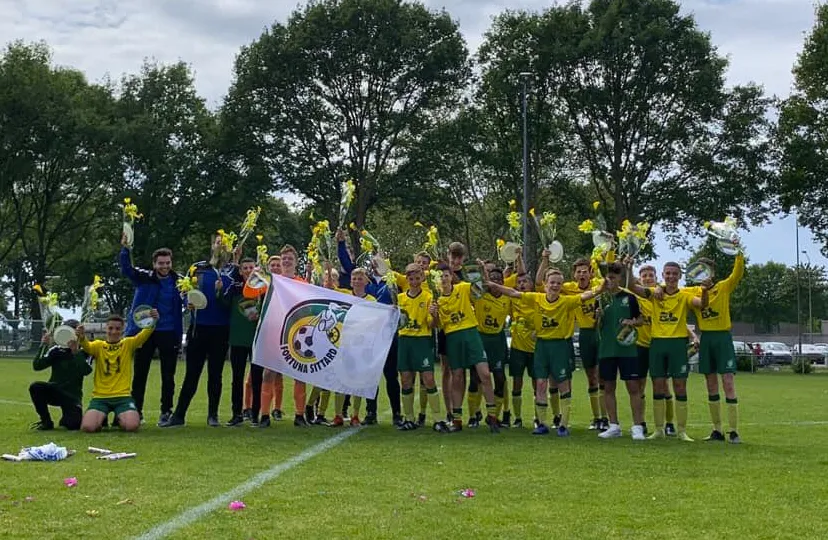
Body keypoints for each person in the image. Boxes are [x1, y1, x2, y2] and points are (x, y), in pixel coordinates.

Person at [488, 268, 604, 437]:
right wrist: (492, 285)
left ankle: (563, 424)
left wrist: (600, 288)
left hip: (559, 346)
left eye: (558, 283)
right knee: (541, 384)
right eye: (552, 282)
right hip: (541, 346)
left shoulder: (566, 301)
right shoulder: (537, 298)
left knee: (563, 384)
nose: (555, 286)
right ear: (546, 284)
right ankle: (542, 423)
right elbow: (513, 292)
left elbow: (585, 296)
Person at [630, 263, 709, 441]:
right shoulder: (655, 294)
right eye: (668, 273)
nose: (671, 276)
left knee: (679, 386)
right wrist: (629, 266)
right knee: (658, 385)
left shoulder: (685, 296)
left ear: (680, 276)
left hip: (677, 345)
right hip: (657, 343)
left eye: (675, 273)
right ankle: (659, 429)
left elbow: (702, 304)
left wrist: (704, 290)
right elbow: (632, 287)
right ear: (663, 275)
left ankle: (681, 431)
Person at [160, 235, 232, 428]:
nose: (221, 246)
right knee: (191, 374)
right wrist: (187, 303)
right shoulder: (197, 268)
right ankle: (179, 415)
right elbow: (185, 292)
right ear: (212, 245)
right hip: (198, 329)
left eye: (224, 243)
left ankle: (213, 415)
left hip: (220, 330)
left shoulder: (232, 271)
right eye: (218, 242)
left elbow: (233, 300)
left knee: (215, 374)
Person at [119, 236, 183, 426]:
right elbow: (126, 269)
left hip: (169, 331)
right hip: (144, 331)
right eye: (161, 263)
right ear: (154, 264)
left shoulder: (179, 281)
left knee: (168, 375)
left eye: (168, 263)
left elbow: (188, 301)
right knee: (140, 373)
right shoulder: (144, 278)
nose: (165, 266)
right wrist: (125, 249)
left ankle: (166, 412)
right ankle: (136, 411)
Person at [431, 262, 500, 433]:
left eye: (446, 275)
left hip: (470, 334)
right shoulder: (436, 300)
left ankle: (492, 416)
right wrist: (434, 315)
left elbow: (480, 289)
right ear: (436, 280)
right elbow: (436, 325)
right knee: (457, 377)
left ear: (451, 277)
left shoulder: (462, 288)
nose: (444, 278)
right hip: (453, 338)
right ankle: (457, 419)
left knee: (484, 373)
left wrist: (483, 271)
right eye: (440, 276)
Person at [687, 253, 745, 444]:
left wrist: (738, 253)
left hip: (722, 338)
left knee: (728, 382)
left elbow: (737, 273)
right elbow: (671, 292)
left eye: (706, 271)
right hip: (707, 339)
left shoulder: (723, 287)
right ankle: (717, 430)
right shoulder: (693, 292)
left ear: (712, 273)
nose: (703, 275)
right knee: (711, 384)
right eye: (699, 271)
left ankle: (734, 431)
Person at [77, 312, 158, 433]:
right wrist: (82, 337)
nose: (114, 332)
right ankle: (101, 418)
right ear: (106, 329)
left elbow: (144, 334)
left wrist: (153, 321)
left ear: (123, 329)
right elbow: (87, 346)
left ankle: (119, 418)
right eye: (110, 328)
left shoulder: (128, 343)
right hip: (100, 397)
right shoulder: (98, 346)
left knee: (132, 426)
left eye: (117, 329)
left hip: (123, 397)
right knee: (88, 427)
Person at [594, 262, 645, 440]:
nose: (609, 280)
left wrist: (632, 323)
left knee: (633, 387)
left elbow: (640, 320)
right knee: (608, 387)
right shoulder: (600, 298)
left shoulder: (629, 298)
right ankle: (613, 425)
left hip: (627, 349)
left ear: (620, 279)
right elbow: (596, 325)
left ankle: (637, 426)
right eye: (607, 277)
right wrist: (598, 317)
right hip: (607, 349)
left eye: (613, 277)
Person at [396, 263, 448, 432]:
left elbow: (433, 325)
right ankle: (409, 419)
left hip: (422, 341)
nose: (414, 281)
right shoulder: (400, 298)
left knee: (428, 379)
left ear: (422, 278)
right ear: (407, 279)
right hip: (405, 341)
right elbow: (396, 324)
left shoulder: (428, 297)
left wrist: (434, 315)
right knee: (405, 379)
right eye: (411, 278)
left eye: (417, 278)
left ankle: (438, 419)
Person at [331, 268, 377, 426]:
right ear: (350, 280)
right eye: (354, 278)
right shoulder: (343, 294)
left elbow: (376, 320)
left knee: (358, 381)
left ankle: (355, 415)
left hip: (361, 346)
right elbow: (328, 288)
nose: (357, 281)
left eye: (360, 278)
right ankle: (337, 415)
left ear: (366, 281)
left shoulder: (371, 300)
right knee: (340, 380)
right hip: (344, 344)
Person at [29, 320, 91, 431]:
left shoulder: (85, 351)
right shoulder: (56, 350)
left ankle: (68, 417)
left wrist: (75, 352)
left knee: (73, 425)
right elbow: (37, 366)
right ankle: (46, 421)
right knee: (36, 387)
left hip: (72, 396)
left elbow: (86, 371)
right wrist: (43, 346)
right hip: (55, 390)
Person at [222, 257, 260, 427]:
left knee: (257, 378)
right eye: (245, 268)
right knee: (237, 378)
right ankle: (236, 414)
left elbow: (269, 308)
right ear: (240, 270)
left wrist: (259, 315)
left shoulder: (262, 287)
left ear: (255, 269)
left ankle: (256, 414)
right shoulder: (235, 287)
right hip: (237, 338)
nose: (248, 270)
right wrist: (219, 290)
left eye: (251, 267)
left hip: (257, 339)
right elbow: (223, 302)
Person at [474, 264, 511, 426]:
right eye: (493, 278)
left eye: (499, 279)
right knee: (476, 378)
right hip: (481, 339)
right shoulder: (480, 295)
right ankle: (474, 415)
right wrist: (482, 271)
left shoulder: (507, 298)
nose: (495, 282)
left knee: (500, 378)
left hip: (497, 340)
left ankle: (493, 415)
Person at [507, 273, 537, 428]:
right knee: (516, 383)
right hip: (517, 348)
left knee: (537, 384)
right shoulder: (513, 299)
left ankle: (538, 417)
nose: (522, 284)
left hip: (534, 349)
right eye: (519, 282)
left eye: (525, 281)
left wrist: (537, 330)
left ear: (531, 284)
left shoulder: (537, 298)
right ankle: (517, 418)